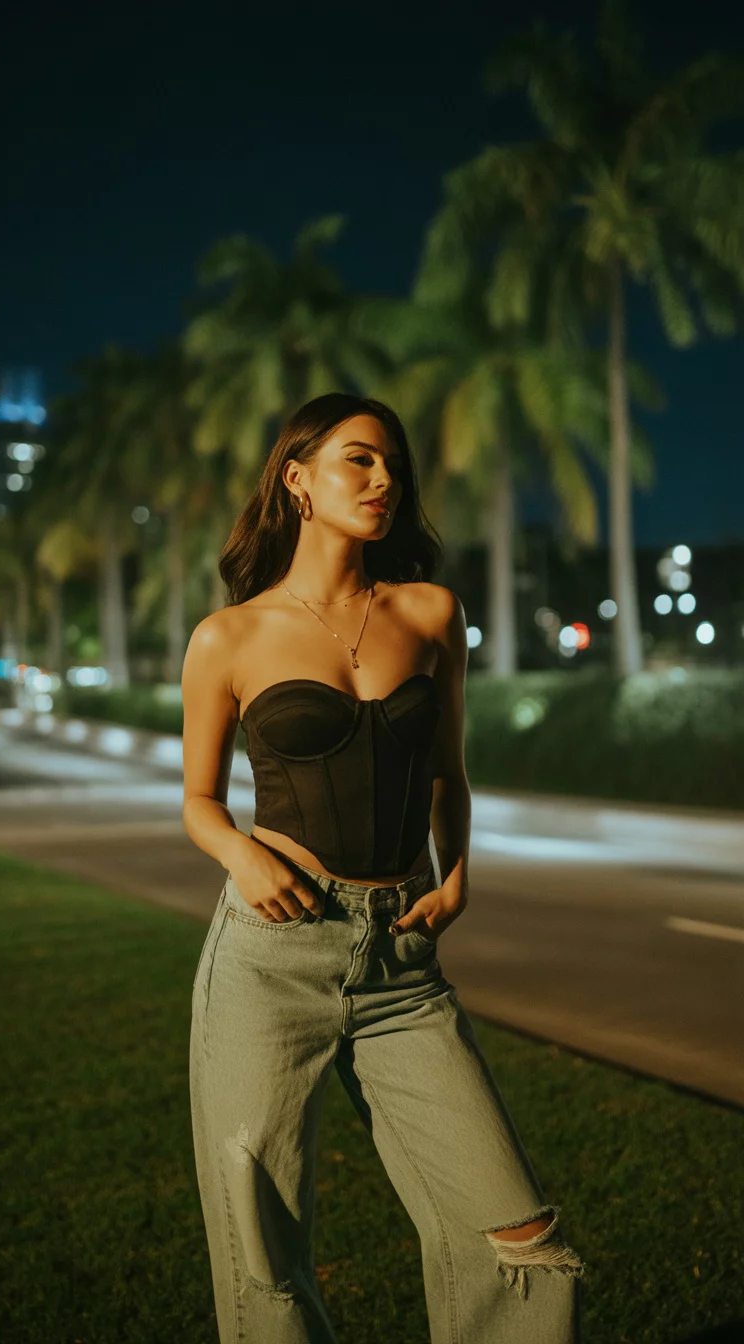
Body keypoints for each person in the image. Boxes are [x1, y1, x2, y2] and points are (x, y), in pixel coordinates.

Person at [181, 392, 585, 1344]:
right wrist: (240, 852)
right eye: (358, 460)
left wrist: (458, 875)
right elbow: (198, 803)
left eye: (391, 464)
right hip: (270, 959)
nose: (384, 480)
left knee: (517, 1232)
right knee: (261, 1244)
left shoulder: (428, 611)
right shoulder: (228, 638)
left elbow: (449, 770)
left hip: (402, 963)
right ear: (298, 479)